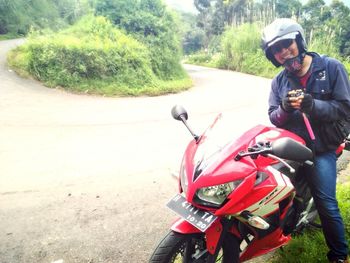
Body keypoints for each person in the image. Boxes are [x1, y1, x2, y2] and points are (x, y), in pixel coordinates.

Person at [261, 18, 349, 263]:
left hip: (321, 148)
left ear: (298, 41)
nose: (283, 52)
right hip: (291, 148)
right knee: (267, 190)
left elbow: (345, 108)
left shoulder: (331, 68)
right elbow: (273, 117)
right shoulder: (278, 81)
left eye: (287, 44)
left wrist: (313, 105)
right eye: (276, 50)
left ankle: (340, 256)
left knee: (326, 203)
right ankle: (280, 231)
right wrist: (285, 108)